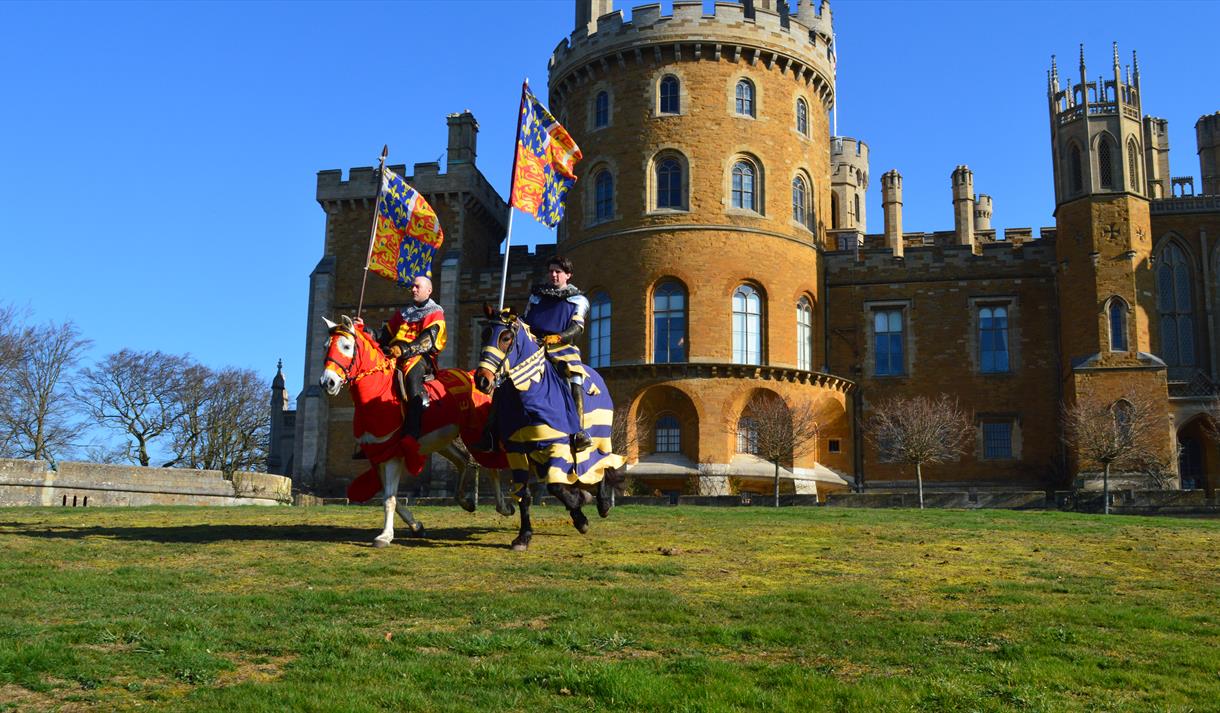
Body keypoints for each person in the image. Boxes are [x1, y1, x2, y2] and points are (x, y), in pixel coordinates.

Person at [523, 255, 592, 452]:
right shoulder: (536, 296)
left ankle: (578, 431)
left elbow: (577, 327)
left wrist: (559, 337)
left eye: (558, 272)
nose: (553, 275)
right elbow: (525, 319)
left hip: (562, 348)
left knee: (574, 378)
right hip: (533, 346)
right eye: (551, 271)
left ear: (568, 275)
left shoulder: (578, 299)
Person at [380, 275, 446, 440]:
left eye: (417, 287)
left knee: (411, 374)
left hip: (421, 357)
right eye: (413, 287)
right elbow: (384, 338)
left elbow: (426, 342)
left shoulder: (435, 313)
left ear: (429, 291)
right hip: (396, 354)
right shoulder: (403, 314)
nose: (413, 289)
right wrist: (365, 331)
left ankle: (412, 430)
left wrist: (403, 349)